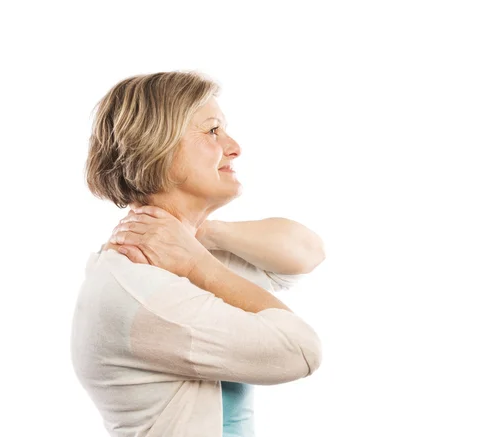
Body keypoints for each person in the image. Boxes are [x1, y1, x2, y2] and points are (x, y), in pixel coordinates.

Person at [70, 70, 325, 437]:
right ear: (155, 146)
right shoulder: (137, 286)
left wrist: (202, 235)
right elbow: (300, 352)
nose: (234, 146)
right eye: (212, 131)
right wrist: (197, 262)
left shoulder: (179, 254)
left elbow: (307, 252)